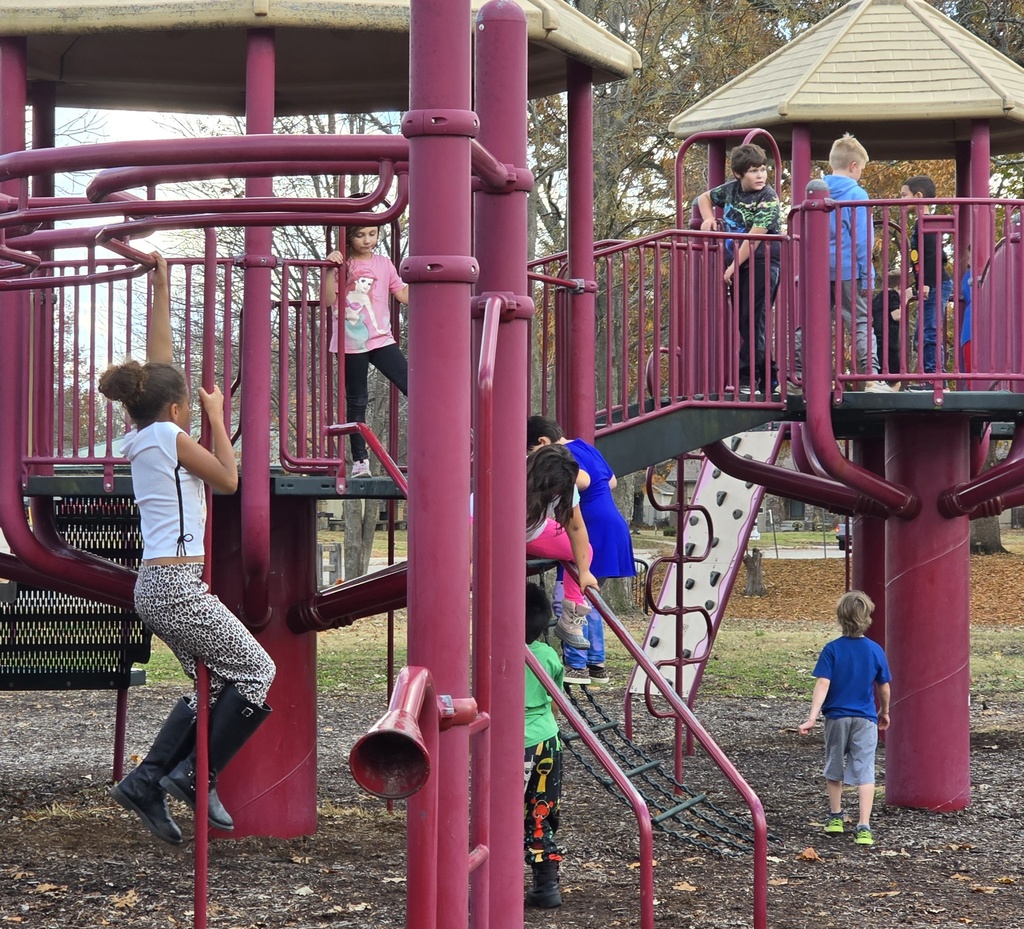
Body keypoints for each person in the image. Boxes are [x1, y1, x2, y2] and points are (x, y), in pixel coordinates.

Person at [100, 254, 276, 845]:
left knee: (215, 687)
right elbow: (228, 479)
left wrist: (162, 286)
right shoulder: (173, 435)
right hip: (175, 586)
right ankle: (197, 776)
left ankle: (147, 781)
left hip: (157, 586)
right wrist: (218, 417)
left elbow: (159, 367)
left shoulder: (143, 432)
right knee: (256, 669)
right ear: (177, 409)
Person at [527, 415, 634, 685]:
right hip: (612, 523)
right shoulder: (584, 446)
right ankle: (596, 663)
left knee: (571, 593)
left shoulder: (562, 456)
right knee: (588, 595)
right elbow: (611, 482)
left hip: (591, 526)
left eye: (529, 452)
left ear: (541, 442)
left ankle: (577, 664)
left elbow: (581, 480)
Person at [798, 590, 891, 847]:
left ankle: (836, 816)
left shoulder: (832, 650)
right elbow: (883, 686)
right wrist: (884, 711)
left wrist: (812, 717)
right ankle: (864, 826)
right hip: (865, 719)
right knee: (865, 770)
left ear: (840, 618)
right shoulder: (874, 650)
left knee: (834, 765)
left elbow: (823, 684)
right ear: (867, 618)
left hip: (837, 718)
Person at [323, 223, 410, 478]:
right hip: (351, 343)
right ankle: (360, 460)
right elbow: (328, 300)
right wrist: (330, 270)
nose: (367, 240)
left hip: (381, 339)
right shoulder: (343, 264)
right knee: (357, 400)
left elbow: (403, 295)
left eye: (372, 234)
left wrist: (422, 277)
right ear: (348, 237)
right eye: (360, 235)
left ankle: (426, 445)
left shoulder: (383, 263)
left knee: (411, 384)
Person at [695, 143, 782, 397]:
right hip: (740, 264)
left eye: (763, 170)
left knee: (753, 318)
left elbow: (755, 237)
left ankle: (748, 376)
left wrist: (733, 266)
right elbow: (704, 198)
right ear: (738, 174)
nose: (761, 176)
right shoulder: (731, 190)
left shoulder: (768, 197)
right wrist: (708, 217)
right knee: (746, 320)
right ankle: (768, 376)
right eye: (754, 171)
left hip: (763, 262)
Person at [526, 444, 599, 651]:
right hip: (486, 531)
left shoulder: (565, 483)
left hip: (532, 531)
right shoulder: (513, 473)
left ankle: (570, 614)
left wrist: (584, 572)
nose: (556, 494)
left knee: (584, 550)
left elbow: (576, 528)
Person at [524, 582, 565, 908]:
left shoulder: (493, 653)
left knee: (502, 812)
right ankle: (546, 884)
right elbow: (554, 702)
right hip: (548, 742)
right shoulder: (548, 655)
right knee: (540, 813)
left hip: (513, 745)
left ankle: (498, 874)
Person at [901, 175, 954, 385]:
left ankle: (935, 377)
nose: (901, 199)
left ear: (918, 196)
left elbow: (931, 256)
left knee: (930, 328)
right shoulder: (921, 223)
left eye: (904, 195)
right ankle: (927, 375)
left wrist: (925, 283)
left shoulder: (927, 223)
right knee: (922, 331)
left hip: (935, 282)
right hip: (931, 281)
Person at [871, 269, 905, 388]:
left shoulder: (877, 298)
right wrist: (905, 299)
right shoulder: (892, 294)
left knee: (881, 379)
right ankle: (892, 403)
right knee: (895, 379)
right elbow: (896, 315)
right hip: (888, 343)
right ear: (900, 284)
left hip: (877, 342)